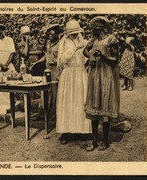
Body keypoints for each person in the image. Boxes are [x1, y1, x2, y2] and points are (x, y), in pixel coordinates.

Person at [83, 16, 120, 151]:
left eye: (93, 29)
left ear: (100, 29)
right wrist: (91, 56)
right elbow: (85, 51)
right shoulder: (94, 40)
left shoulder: (111, 40)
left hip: (107, 76)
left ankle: (105, 140)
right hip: (95, 75)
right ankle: (94, 140)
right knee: (94, 105)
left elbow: (115, 60)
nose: (92, 31)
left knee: (105, 106)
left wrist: (102, 56)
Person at [56, 20, 91, 144]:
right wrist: (75, 48)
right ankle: (66, 131)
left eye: (77, 33)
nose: (75, 35)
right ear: (68, 33)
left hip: (80, 72)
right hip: (69, 73)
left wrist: (85, 50)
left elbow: (86, 58)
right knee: (68, 101)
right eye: (73, 34)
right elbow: (62, 59)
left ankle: (83, 131)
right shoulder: (63, 42)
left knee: (81, 100)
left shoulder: (83, 41)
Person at [32, 24, 61, 115]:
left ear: (57, 33)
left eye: (52, 34)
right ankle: (44, 112)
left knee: (56, 91)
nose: (50, 36)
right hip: (48, 68)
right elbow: (46, 55)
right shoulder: (49, 43)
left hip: (56, 68)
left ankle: (55, 114)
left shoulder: (61, 43)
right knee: (46, 90)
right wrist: (37, 62)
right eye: (49, 34)